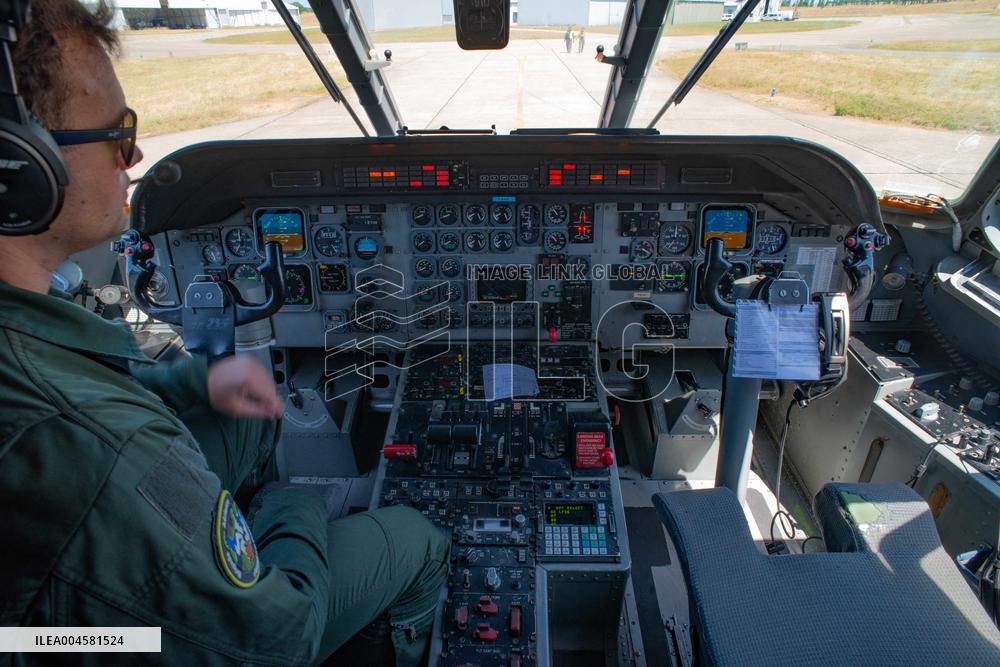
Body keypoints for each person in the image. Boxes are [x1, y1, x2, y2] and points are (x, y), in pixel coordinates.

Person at [0, 2, 449, 665]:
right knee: (418, 536)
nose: (136, 155)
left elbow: (90, 385)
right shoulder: (106, 445)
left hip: (27, 621)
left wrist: (198, 378)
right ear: (18, 163)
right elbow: (280, 638)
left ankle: (233, 546)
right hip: (82, 644)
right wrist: (296, 503)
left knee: (250, 412)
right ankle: (260, 571)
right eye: (119, 134)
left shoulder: (33, 331)